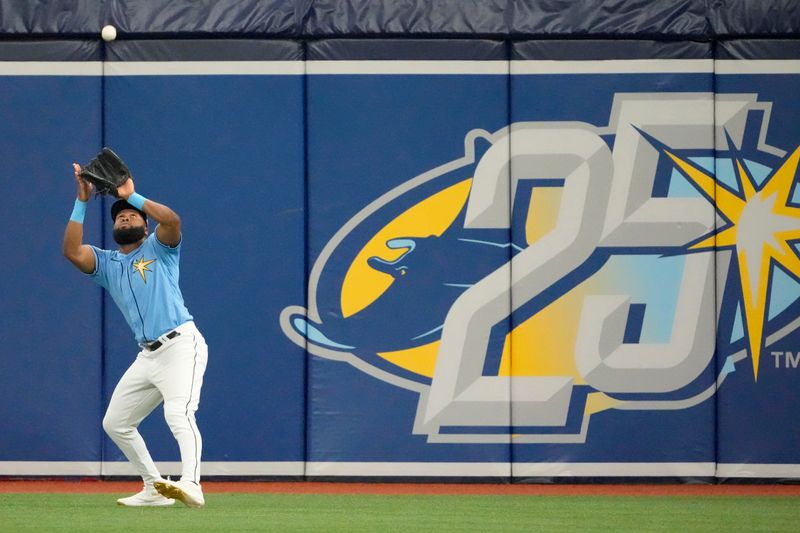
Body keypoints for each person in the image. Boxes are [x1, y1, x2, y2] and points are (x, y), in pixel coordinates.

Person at [63, 162, 208, 508]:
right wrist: (81, 201)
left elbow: (172, 221)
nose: (125, 218)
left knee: (178, 413)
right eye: (119, 216)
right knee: (116, 423)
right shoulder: (108, 264)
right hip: (148, 355)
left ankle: (192, 483)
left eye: (131, 215)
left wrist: (133, 196)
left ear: (145, 226)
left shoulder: (160, 248)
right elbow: (72, 251)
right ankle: (154, 488)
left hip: (181, 345)